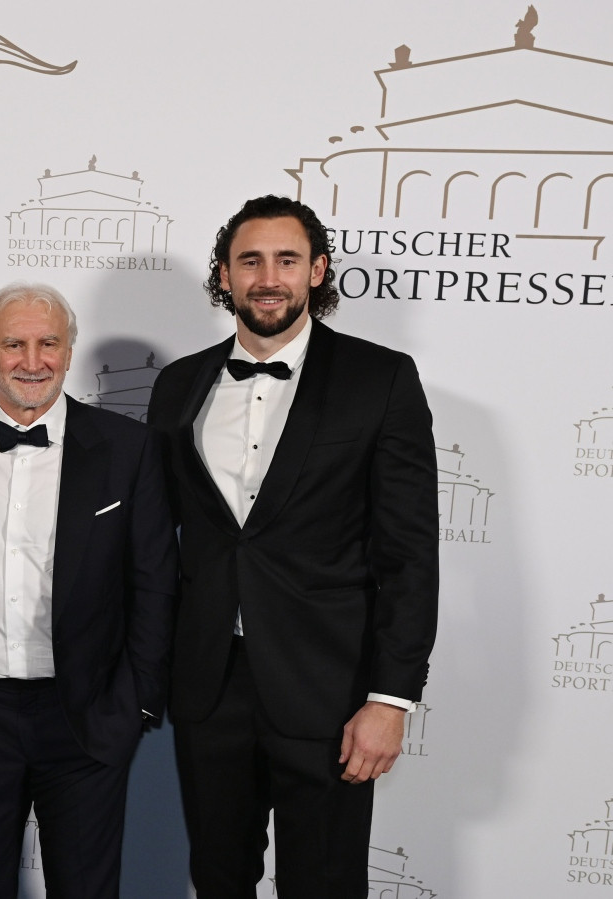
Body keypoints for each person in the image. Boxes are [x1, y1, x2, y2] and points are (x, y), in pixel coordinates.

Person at [147, 195, 439, 898]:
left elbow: (409, 552)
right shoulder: (179, 384)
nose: (268, 277)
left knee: (325, 883)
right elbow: (156, 541)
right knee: (218, 877)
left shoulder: (380, 378)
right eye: (250, 261)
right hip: (209, 683)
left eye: (286, 259)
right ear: (224, 275)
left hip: (330, 687)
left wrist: (391, 697)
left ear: (318, 271)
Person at [0, 283, 177, 898]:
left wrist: (137, 703)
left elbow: (155, 582)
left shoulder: (127, 448)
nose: (31, 361)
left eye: (48, 344)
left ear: (69, 353)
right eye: (13, 344)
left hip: (85, 713)